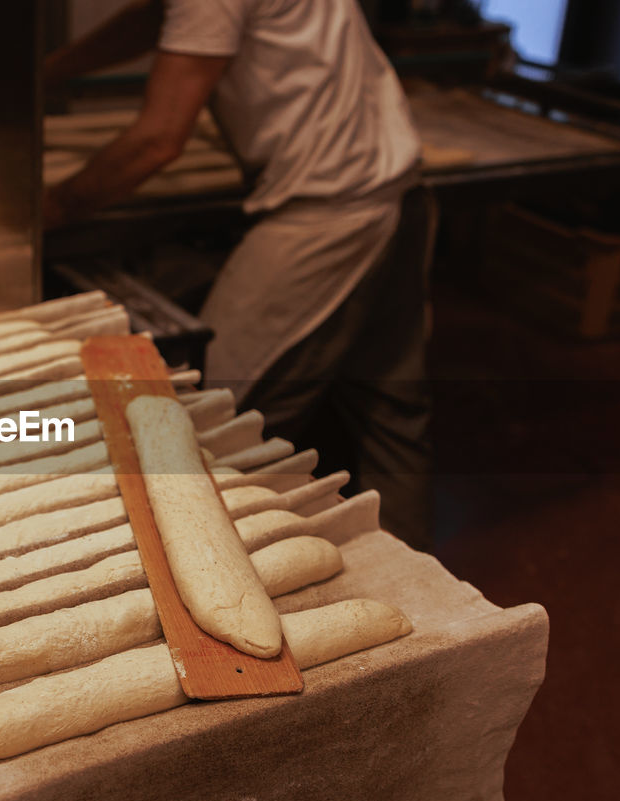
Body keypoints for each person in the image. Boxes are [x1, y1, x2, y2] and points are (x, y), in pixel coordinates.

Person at [44, 0, 434, 550]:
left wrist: (48, 211)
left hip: (327, 212)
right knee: (392, 414)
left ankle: (226, 571)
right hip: (394, 185)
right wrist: (56, 67)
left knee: (205, 421)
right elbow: (157, 18)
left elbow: (159, 140)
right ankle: (420, 588)